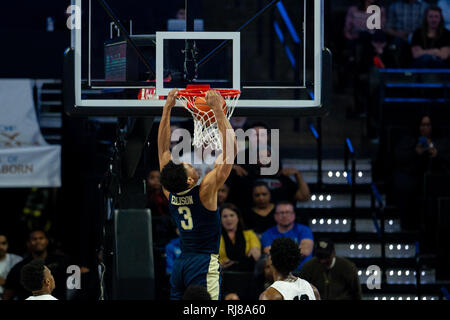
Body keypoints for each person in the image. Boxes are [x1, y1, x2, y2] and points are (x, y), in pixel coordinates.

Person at [158, 89, 237, 300]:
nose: (192, 164)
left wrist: (167, 109)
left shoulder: (170, 191)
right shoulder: (205, 192)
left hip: (181, 264)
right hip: (203, 263)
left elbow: (163, 151)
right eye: (189, 166)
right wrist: (218, 112)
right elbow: (230, 153)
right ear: (190, 180)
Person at [2, 230, 68, 300]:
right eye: (34, 239)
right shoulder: (19, 267)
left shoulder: (61, 261)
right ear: (28, 243)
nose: (38, 241)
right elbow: (7, 295)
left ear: (47, 241)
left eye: (41, 238)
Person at [297, 240, 362, 300]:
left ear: (333, 253)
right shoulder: (308, 267)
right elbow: (300, 290)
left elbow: (356, 293)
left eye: (326, 256)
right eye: (320, 256)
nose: (323, 260)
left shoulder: (348, 267)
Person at [260, 201, 314, 271]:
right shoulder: (267, 234)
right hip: (279, 274)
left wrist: (280, 254)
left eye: (288, 212)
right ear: (275, 216)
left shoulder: (305, 230)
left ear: (293, 215)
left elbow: (305, 251)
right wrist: (296, 252)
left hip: (303, 273)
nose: (284, 215)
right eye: (281, 213)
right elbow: (269, 253)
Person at [385, 0, 429, 66]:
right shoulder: (394, 6)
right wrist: (398, 34)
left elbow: (429, 27)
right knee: (394, 46)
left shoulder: (425, 6)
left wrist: (417, 35)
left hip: (420, 38)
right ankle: (396, 73)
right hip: (399, 38)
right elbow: (388, 28)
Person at [219, 203, 261, 272]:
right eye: (225, 216)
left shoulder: (249, 234)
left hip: (246, 273)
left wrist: (254, 252)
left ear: (238, 217)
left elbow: (256, 254)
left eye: (232, 215)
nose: (228, 219)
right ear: (220, 219)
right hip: (223, 274)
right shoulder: (216, 237)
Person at [0, 233, 23, 299]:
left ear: (7, 244)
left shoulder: (17, 260)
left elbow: (24, 283)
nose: (0, 247)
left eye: (3, 243)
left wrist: (6, 282)